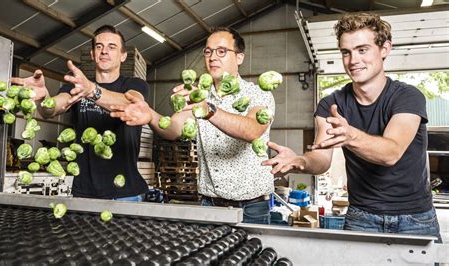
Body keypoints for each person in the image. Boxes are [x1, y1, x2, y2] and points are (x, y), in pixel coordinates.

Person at [263, 13, 441, 239]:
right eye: (346, 52)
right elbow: (321, 160)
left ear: (384, 49)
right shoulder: (331, 104)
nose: (353, 60)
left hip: (415, 218)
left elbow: (391, 152)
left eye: (362, 49)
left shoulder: (407, 97)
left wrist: (351, 136)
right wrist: (300, 161)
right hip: (362, 217)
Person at [110, 27, 275, 224]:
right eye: (208, 51)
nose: (213, 57)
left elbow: (252, 130)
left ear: (239, 58)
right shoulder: (198, 96)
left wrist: (208, 110)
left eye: (221, 51)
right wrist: (151, 116)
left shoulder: (258, 94)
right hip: (210, 204)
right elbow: (173, 129)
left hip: (252, 207)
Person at [11, 25, 150, 201]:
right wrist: (43, 98)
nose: (104, 51)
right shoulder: (77, 85)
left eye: (112, 47)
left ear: (123, 56)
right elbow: (51, 109)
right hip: (84, 191)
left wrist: (92, 90)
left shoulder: (134, 85)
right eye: (99, 46)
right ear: (92, 54)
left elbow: (132, 104)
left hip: (125, 193)